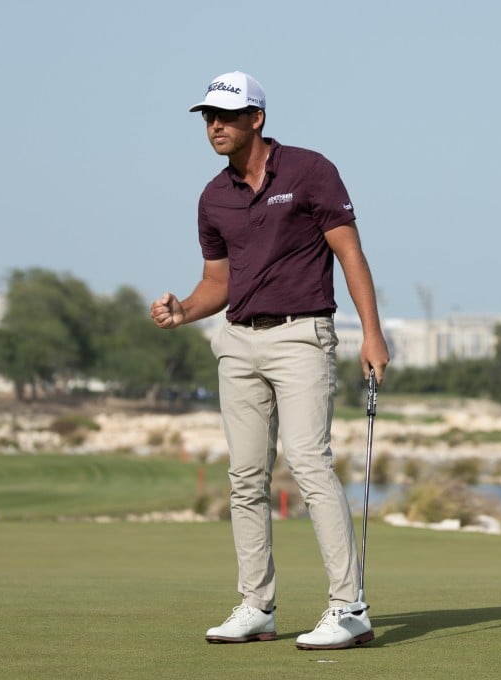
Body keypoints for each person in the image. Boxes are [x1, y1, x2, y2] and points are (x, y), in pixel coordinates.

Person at [151, 71, 390, 650]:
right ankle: (257, 605)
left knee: (308, 462)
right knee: (245, 477)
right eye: (208, 117)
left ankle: (348, 606)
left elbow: (349, 252)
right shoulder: (213, 197)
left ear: (256, 118)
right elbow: (219, 282)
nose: (214, 126)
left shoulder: (310, 171)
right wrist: (184, 310)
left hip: (302, 336)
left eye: (226, 116)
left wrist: (373, 336)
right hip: (237, 342)